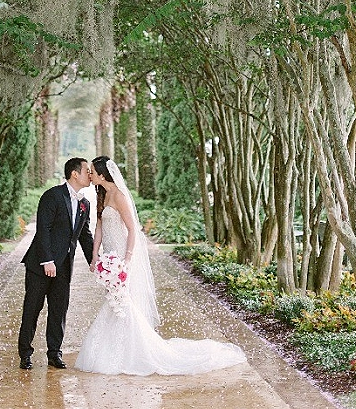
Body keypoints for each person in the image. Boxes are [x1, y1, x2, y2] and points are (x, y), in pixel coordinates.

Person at [75, 155, 247, 375]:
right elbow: (98, 228)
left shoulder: (119, 196)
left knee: (123, 302)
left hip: (121, 257)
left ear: (102, 174)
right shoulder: (102, 195)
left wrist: (127, 259)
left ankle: (135, 351)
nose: (90, 174)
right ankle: (116, 350)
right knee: (114, 300)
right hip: (109, 257)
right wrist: (95, 256)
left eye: (92, 171)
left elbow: (132, 229)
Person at [18, 157, 93, 370]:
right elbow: (43, 229)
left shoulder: (85, 204)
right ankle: (25, 354)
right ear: (75, 174)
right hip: (40, 264)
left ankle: (54, 354)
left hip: (64, 266)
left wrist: (95, 262)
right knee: (32, 310)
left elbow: (84, 236)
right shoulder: (52, 196)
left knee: (58, 311)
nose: (90, 175)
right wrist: (47, 260)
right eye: (87, 170)